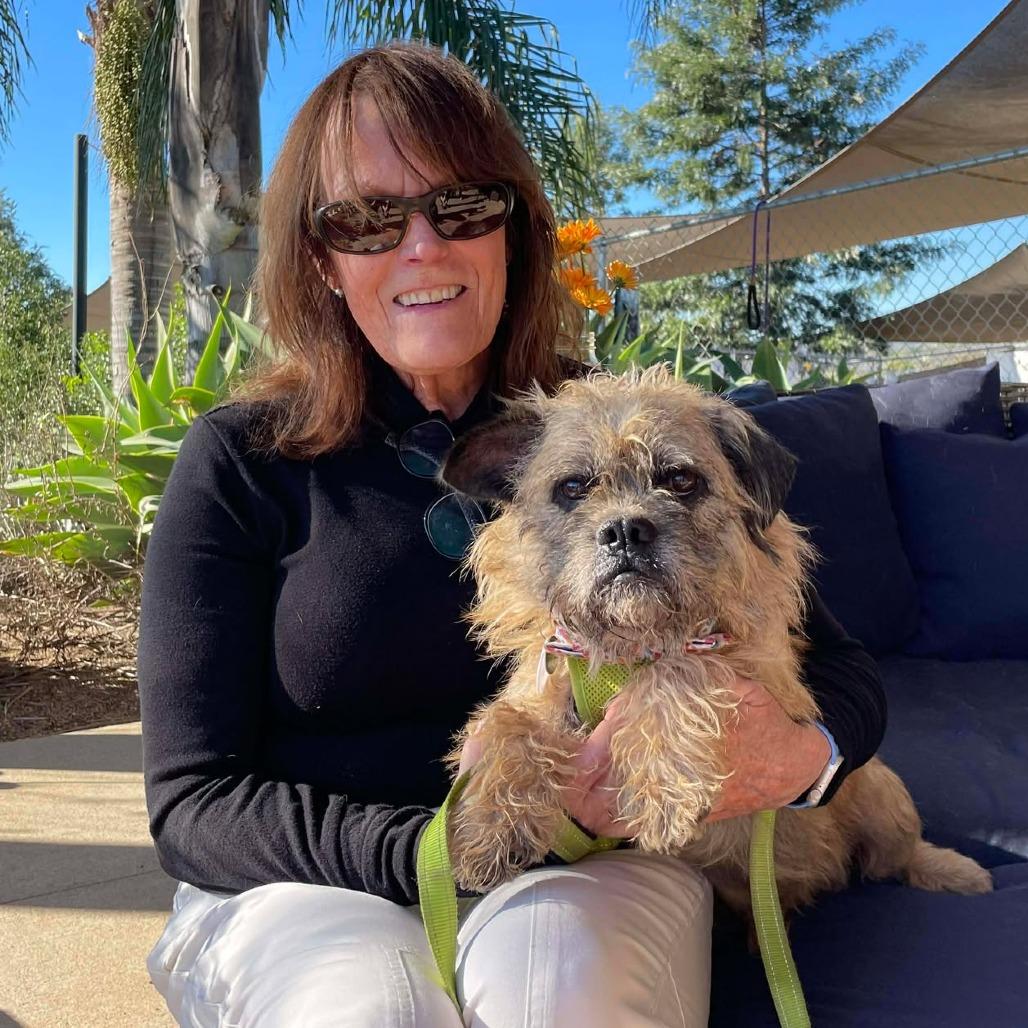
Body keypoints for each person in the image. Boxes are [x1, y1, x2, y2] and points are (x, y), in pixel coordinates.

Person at [138, 41, 885, 1028]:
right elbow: (193, 802)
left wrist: (792, 757)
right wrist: (441, 848)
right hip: (310, 878)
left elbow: (836, 668)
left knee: (564, 991)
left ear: (513, 231)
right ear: (318, 257)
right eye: (366, 217)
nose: (422, 247)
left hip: (604, 859)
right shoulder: (242, 459)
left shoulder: (625, 428)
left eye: (461, 206)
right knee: (364, 1013)